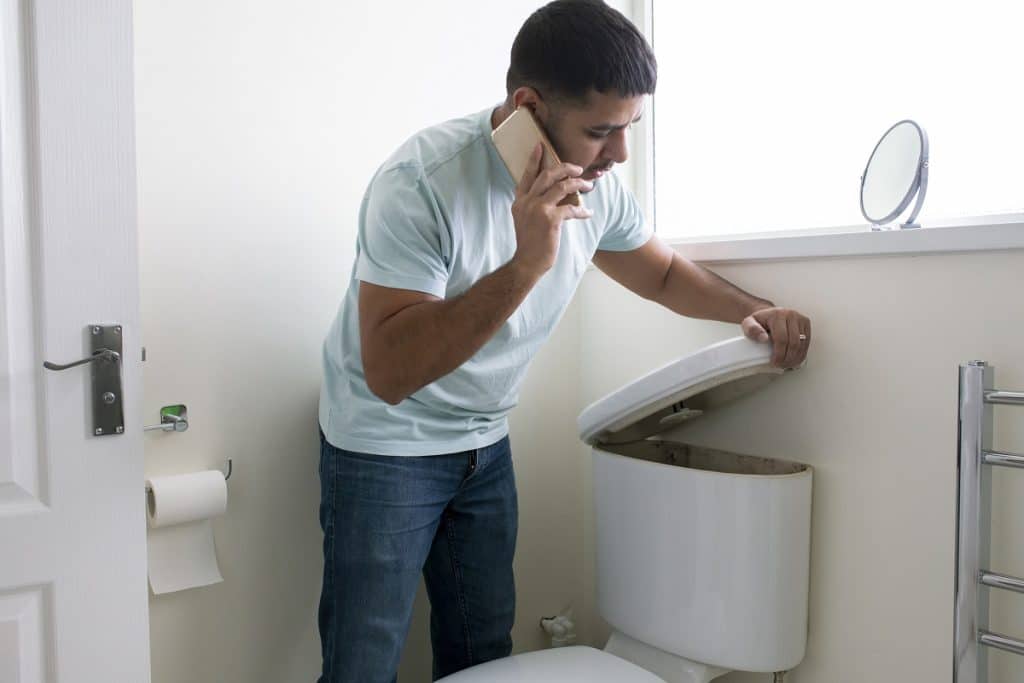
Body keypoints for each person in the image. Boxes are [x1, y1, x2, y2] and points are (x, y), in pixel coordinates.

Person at [316, 1, 811, 681]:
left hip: (484, 443)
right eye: (601, 130)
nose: (620, 153)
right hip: (385, 445)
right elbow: (390, 371)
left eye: (630, 128)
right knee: (363, 665)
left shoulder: (595, 185)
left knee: (483, 653)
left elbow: (663, 274)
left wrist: (758, 310)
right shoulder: (422, 184)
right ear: (528, 106)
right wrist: (526, 263)